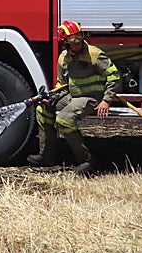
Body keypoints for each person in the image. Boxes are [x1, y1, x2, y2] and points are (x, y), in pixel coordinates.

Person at [28, 20, 121, 176]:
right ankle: (47, 155)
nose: (78, 43)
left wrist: (106, 100)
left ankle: (86, 160)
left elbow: (114, 76)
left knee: (64, 120)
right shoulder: (63, 59)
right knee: (42, 110)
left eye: (80, 38)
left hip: (91, 97)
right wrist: (51, 99)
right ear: (65, 43)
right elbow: (61, 84)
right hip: (72, 96)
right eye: (73, 41)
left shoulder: (95, 54)